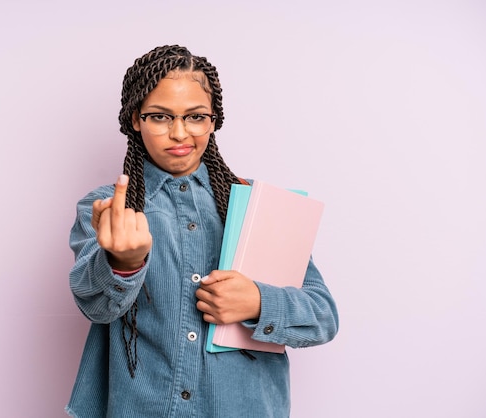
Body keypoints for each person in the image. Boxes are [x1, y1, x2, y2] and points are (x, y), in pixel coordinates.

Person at [65, 45, 338, 418]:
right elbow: (95, 306)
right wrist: (123, 263)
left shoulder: (261, 207)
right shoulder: (107, 211)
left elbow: (323, 316)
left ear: (213, 120)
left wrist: (259, 303)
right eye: (160, 117)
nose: (179, 133)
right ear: (135, 119)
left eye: (195, 117)